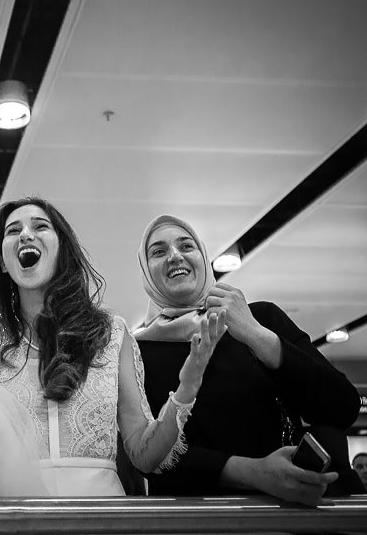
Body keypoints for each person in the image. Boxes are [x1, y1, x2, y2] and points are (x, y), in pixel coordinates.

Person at [0, 198, 220, 497]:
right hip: (14, 521)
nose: (26, 234)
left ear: (61, 251)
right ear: (2, 261)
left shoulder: (112, 334)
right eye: (13, 231)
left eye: (40, 227)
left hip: (100, 522)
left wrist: (187, 386)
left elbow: (143, 453)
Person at [135, 214, 361, 505]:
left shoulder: (261, 318)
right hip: (207, 521)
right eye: (159, 251)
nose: (175, 256)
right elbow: (150, 455)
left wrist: (256, 334)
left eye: (186, 246)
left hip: (299, 512)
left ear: (204, 257)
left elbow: (342, 406)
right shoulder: (137, 351)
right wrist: (253, 472)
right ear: (146, 271)